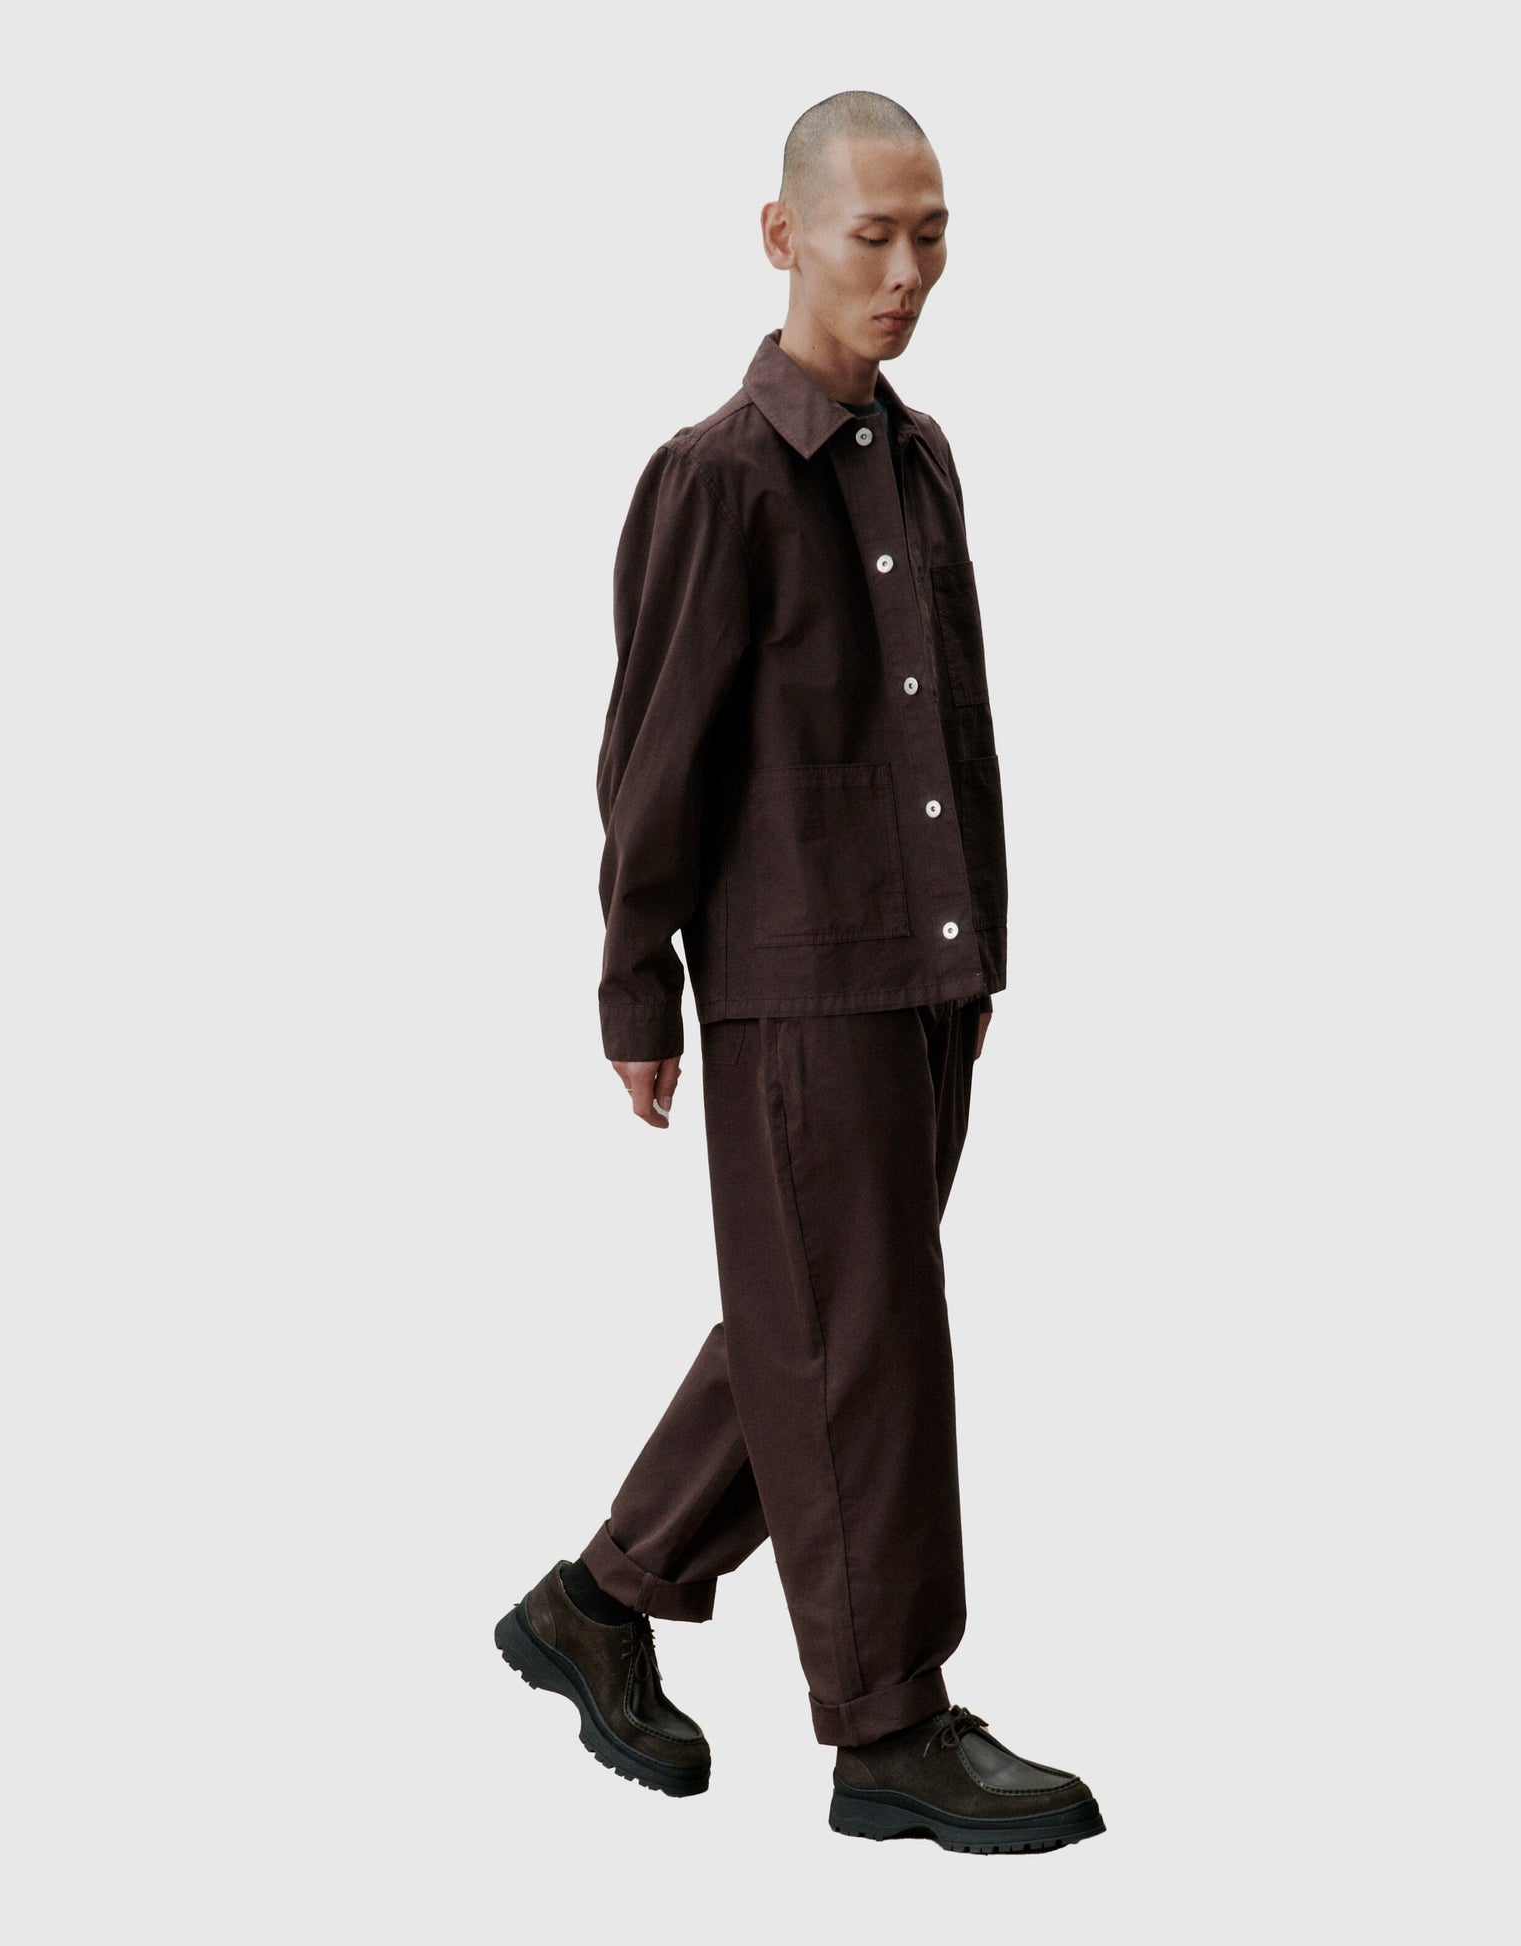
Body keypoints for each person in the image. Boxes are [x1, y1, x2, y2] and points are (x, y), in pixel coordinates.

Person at [495, 90, 1104, 1856]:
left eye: (932, 235)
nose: (905, 271)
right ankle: (887, 1727)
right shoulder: (714, 476)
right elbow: (652, 755)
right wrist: (636, 988)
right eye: (871, 234)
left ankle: (599, 1601)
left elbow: (950, 727)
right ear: (781, 236)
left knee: (825, 1328)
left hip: (925, 978)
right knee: (861, 1343)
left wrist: (973, 949)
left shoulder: (919, 458)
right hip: (795, 985)